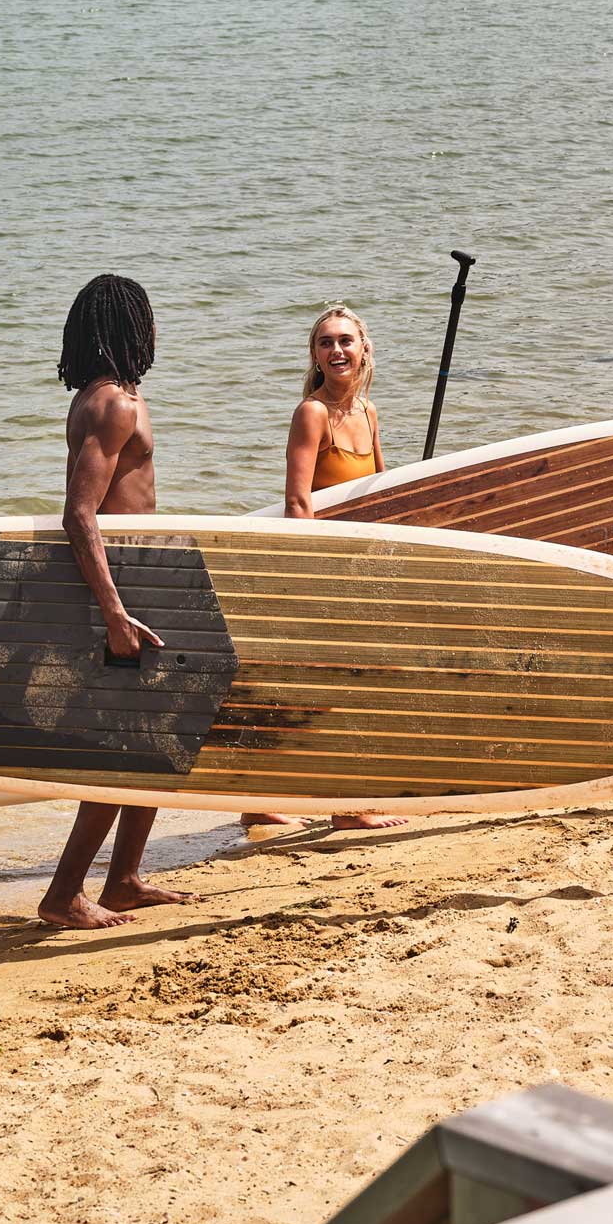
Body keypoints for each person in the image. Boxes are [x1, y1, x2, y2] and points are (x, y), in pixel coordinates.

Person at [37, 273, 199, 930]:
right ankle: (62, 894)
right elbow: (80, 515)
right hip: (121, 592)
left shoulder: (110, 398)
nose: (155, 329)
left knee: (159, 738)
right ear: (131, 328)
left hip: (140, 581)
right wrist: (113, 613)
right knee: (123, 748)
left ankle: (125, 878)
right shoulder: (113, 405)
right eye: (147, 318)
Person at [244, 303, 405, 838]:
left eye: (345, 341)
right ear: (315, 355)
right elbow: (297, 500)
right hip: (325, 563)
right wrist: (317, 573)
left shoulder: (368, 411)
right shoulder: (311, 413)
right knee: (343, 682)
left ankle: (257, 801)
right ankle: (347, 806)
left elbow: (383, 494)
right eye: (324, 343)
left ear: (364, 349)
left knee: (306, 684)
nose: (336, 350)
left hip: (360, 564)